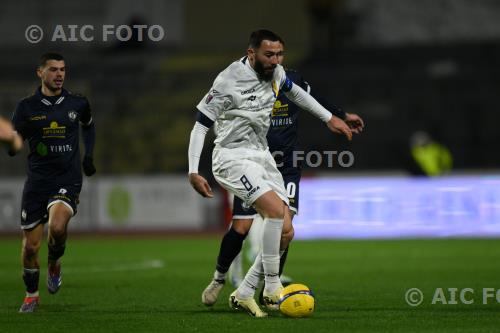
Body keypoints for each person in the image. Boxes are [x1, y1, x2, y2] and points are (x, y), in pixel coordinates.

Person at [188, 29, 355, 317]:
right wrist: (193, 170)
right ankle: (271, 286)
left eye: (279, 55)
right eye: (269, 55)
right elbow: (201, 125)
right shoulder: (228, 81)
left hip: (263, 156)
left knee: (287, 231)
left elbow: (297, 93)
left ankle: (245, 290)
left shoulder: (275, 73)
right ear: (252, 53)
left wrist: (330, 118)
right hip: (232, 158)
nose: (275, 60)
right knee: (273, 214)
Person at [0, 52, 96, 313]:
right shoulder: (27, 107)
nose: (59, 75)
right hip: (37, 182)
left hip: (67, 178)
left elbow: (88, 125)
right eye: (53, 70)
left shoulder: (77, 103)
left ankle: (54, 262)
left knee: (56, 226)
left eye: (63, 69)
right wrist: (9, 141)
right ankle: (31, 295)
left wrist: (88, 155)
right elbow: (16, 144)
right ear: (40, 73)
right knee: (30, 246)